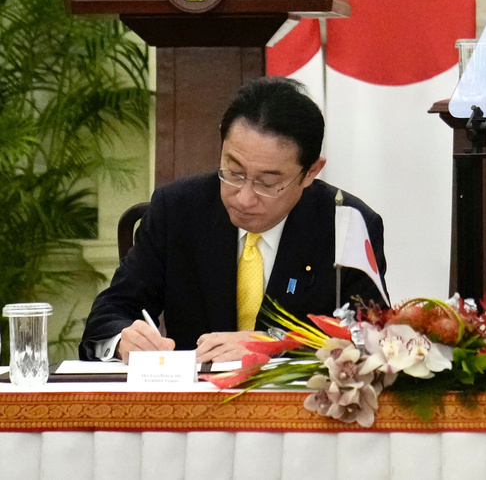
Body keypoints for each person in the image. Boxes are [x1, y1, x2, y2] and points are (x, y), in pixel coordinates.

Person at [80, 77, 388, 363]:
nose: (243, 197)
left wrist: (276, 344)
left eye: (268, 183)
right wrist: (124, 339)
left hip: (299, 412)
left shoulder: (346, 224)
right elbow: (111, 312)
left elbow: (372, 336)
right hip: (191, 409)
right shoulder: (177, 210)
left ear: (310, 172)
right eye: (234, 171)